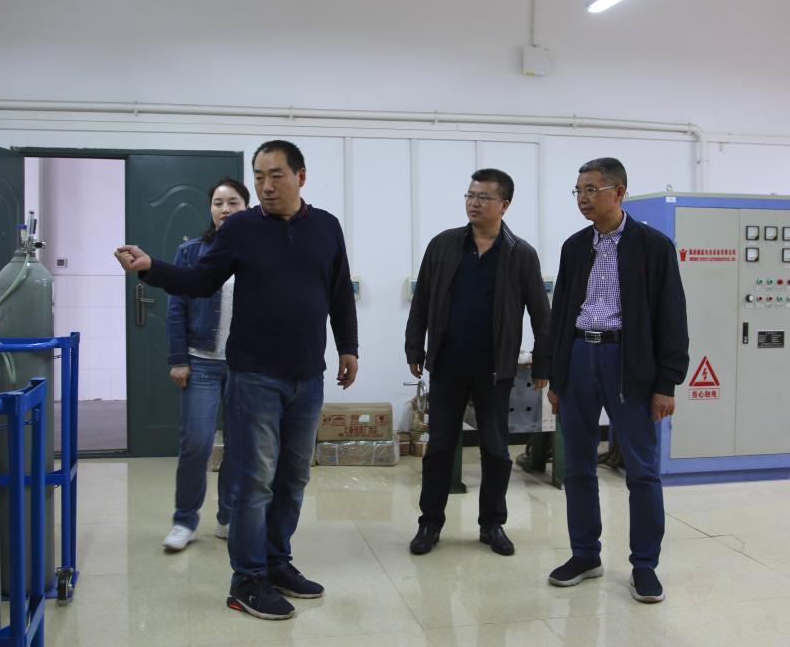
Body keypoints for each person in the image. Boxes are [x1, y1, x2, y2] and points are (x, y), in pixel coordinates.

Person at [113, 140, 359, 621]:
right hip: (254, 376)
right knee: (255, 479)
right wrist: (151, 268)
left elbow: (338, 293)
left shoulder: (326, 227)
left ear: (301, 176)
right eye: (259, 176)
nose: (266, 186)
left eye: (276, 176)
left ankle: (276, 562)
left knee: (294, 476)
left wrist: (348, 346)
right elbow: (201, 280)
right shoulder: (242, 228)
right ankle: (246, 580)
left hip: (308, 376)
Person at [545, 157, 688, 603]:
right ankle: (585, 555)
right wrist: (555, 376)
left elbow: (672, 317)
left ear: (619, 192)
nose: (583, 199)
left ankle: (644, 565)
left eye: (592, 190)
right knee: (577, 466)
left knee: (642, 472)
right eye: (578, 191)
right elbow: (560, 314)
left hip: (629, 363)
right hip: (579, 358)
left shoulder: (653, 246)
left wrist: (666, 383)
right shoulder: (574, 247)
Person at [404, 168, 551, 557]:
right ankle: (430, 523)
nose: (474, 203)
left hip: (495, 369)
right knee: (440, 447)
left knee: (496, 450)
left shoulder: (520, 254)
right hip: (448, 365)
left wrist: (543, 365)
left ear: (504, 204)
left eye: (483, 197)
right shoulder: (444, 245)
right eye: (470, 195)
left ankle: (492, 524)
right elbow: (422, 301)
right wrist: (414, 347)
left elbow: (541, 314)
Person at [162, 178, 249, 552]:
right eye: (218, 202)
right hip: (201, 363)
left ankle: (228, 517)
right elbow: (176, 306)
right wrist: (178, 359)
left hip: (246, 366)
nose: (225, 209)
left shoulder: (258, 252)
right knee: (196, 444)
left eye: (233, 202)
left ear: (247, 207)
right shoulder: (191, 252)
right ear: (210, 209)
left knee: (239, 448)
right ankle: (184, 521)